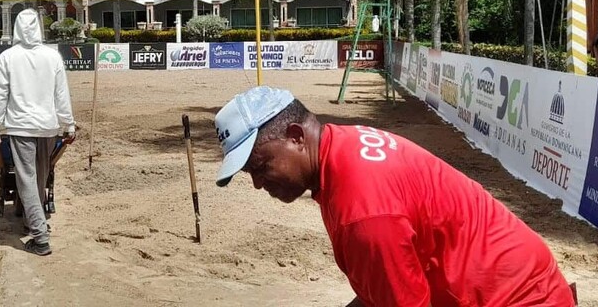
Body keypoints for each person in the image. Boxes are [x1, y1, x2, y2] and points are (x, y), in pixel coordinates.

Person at [214, 86, 576, 307]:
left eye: (260, 167)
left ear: (295, 136)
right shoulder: (342, 146)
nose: (259, 184)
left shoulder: (364, 210)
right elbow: (384, 291)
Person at [0, 8, 76, 257]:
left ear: (16, 27)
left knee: (26, 179)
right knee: (40, 177)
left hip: (20, 127)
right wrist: (68, 124)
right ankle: (32, 221)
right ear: (39, 27)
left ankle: (40, 237)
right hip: (48, 128)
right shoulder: (53, 56)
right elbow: (62, 95)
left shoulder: (7, 58)